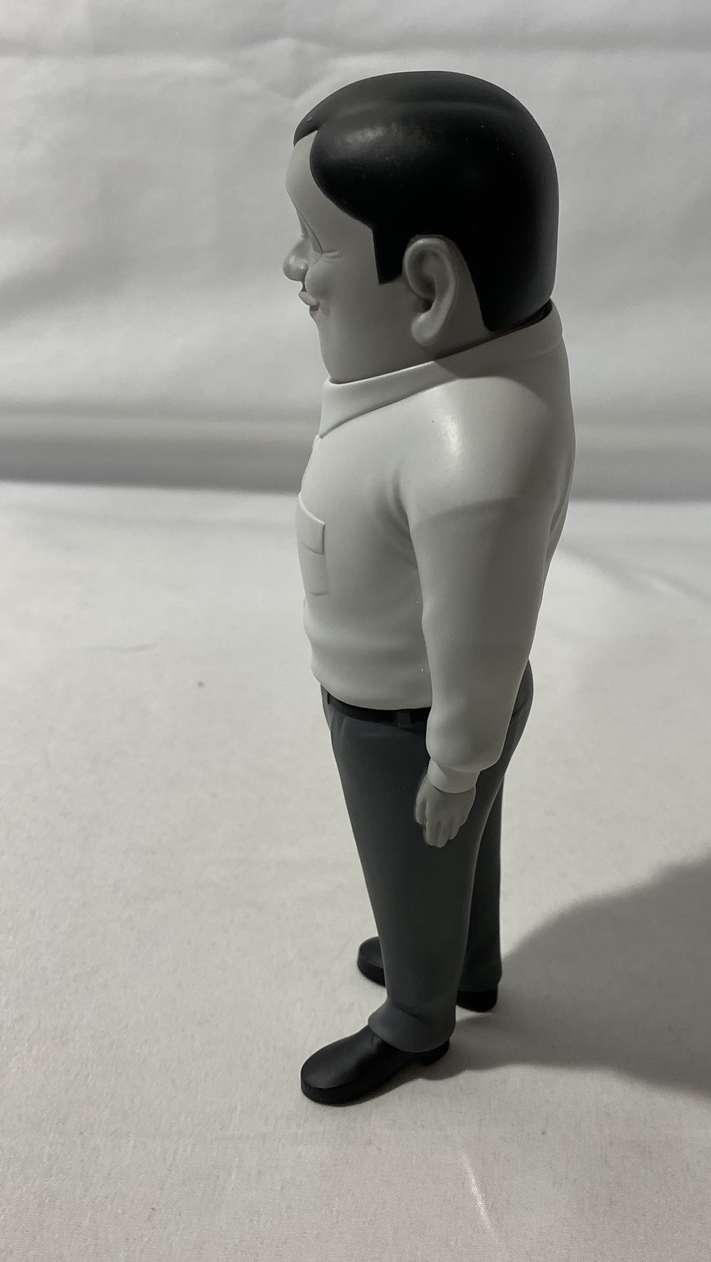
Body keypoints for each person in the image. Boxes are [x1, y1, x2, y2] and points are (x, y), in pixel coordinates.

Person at [282, 71, 575, 1105]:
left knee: (423, 844)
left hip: (410, 717)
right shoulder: (464, 397)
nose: (294, 269)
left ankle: (416, 1015)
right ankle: (463, 960)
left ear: (426, 288)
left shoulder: (468, 451)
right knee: (459, 847)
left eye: (316, 242)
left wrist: (454, 755)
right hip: (432, 707)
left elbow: (479, 625)